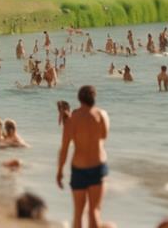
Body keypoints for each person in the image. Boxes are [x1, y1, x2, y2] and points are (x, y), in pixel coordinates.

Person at [57, 85, 109, 228]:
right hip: (98, 165)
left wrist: (60, 171)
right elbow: (104, 136)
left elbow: (64, 149)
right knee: (94, 211)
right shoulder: (102, 115)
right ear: (94, 97)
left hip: (79, 168)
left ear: (79, 99)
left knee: (78, 213)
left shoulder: (72, 121)